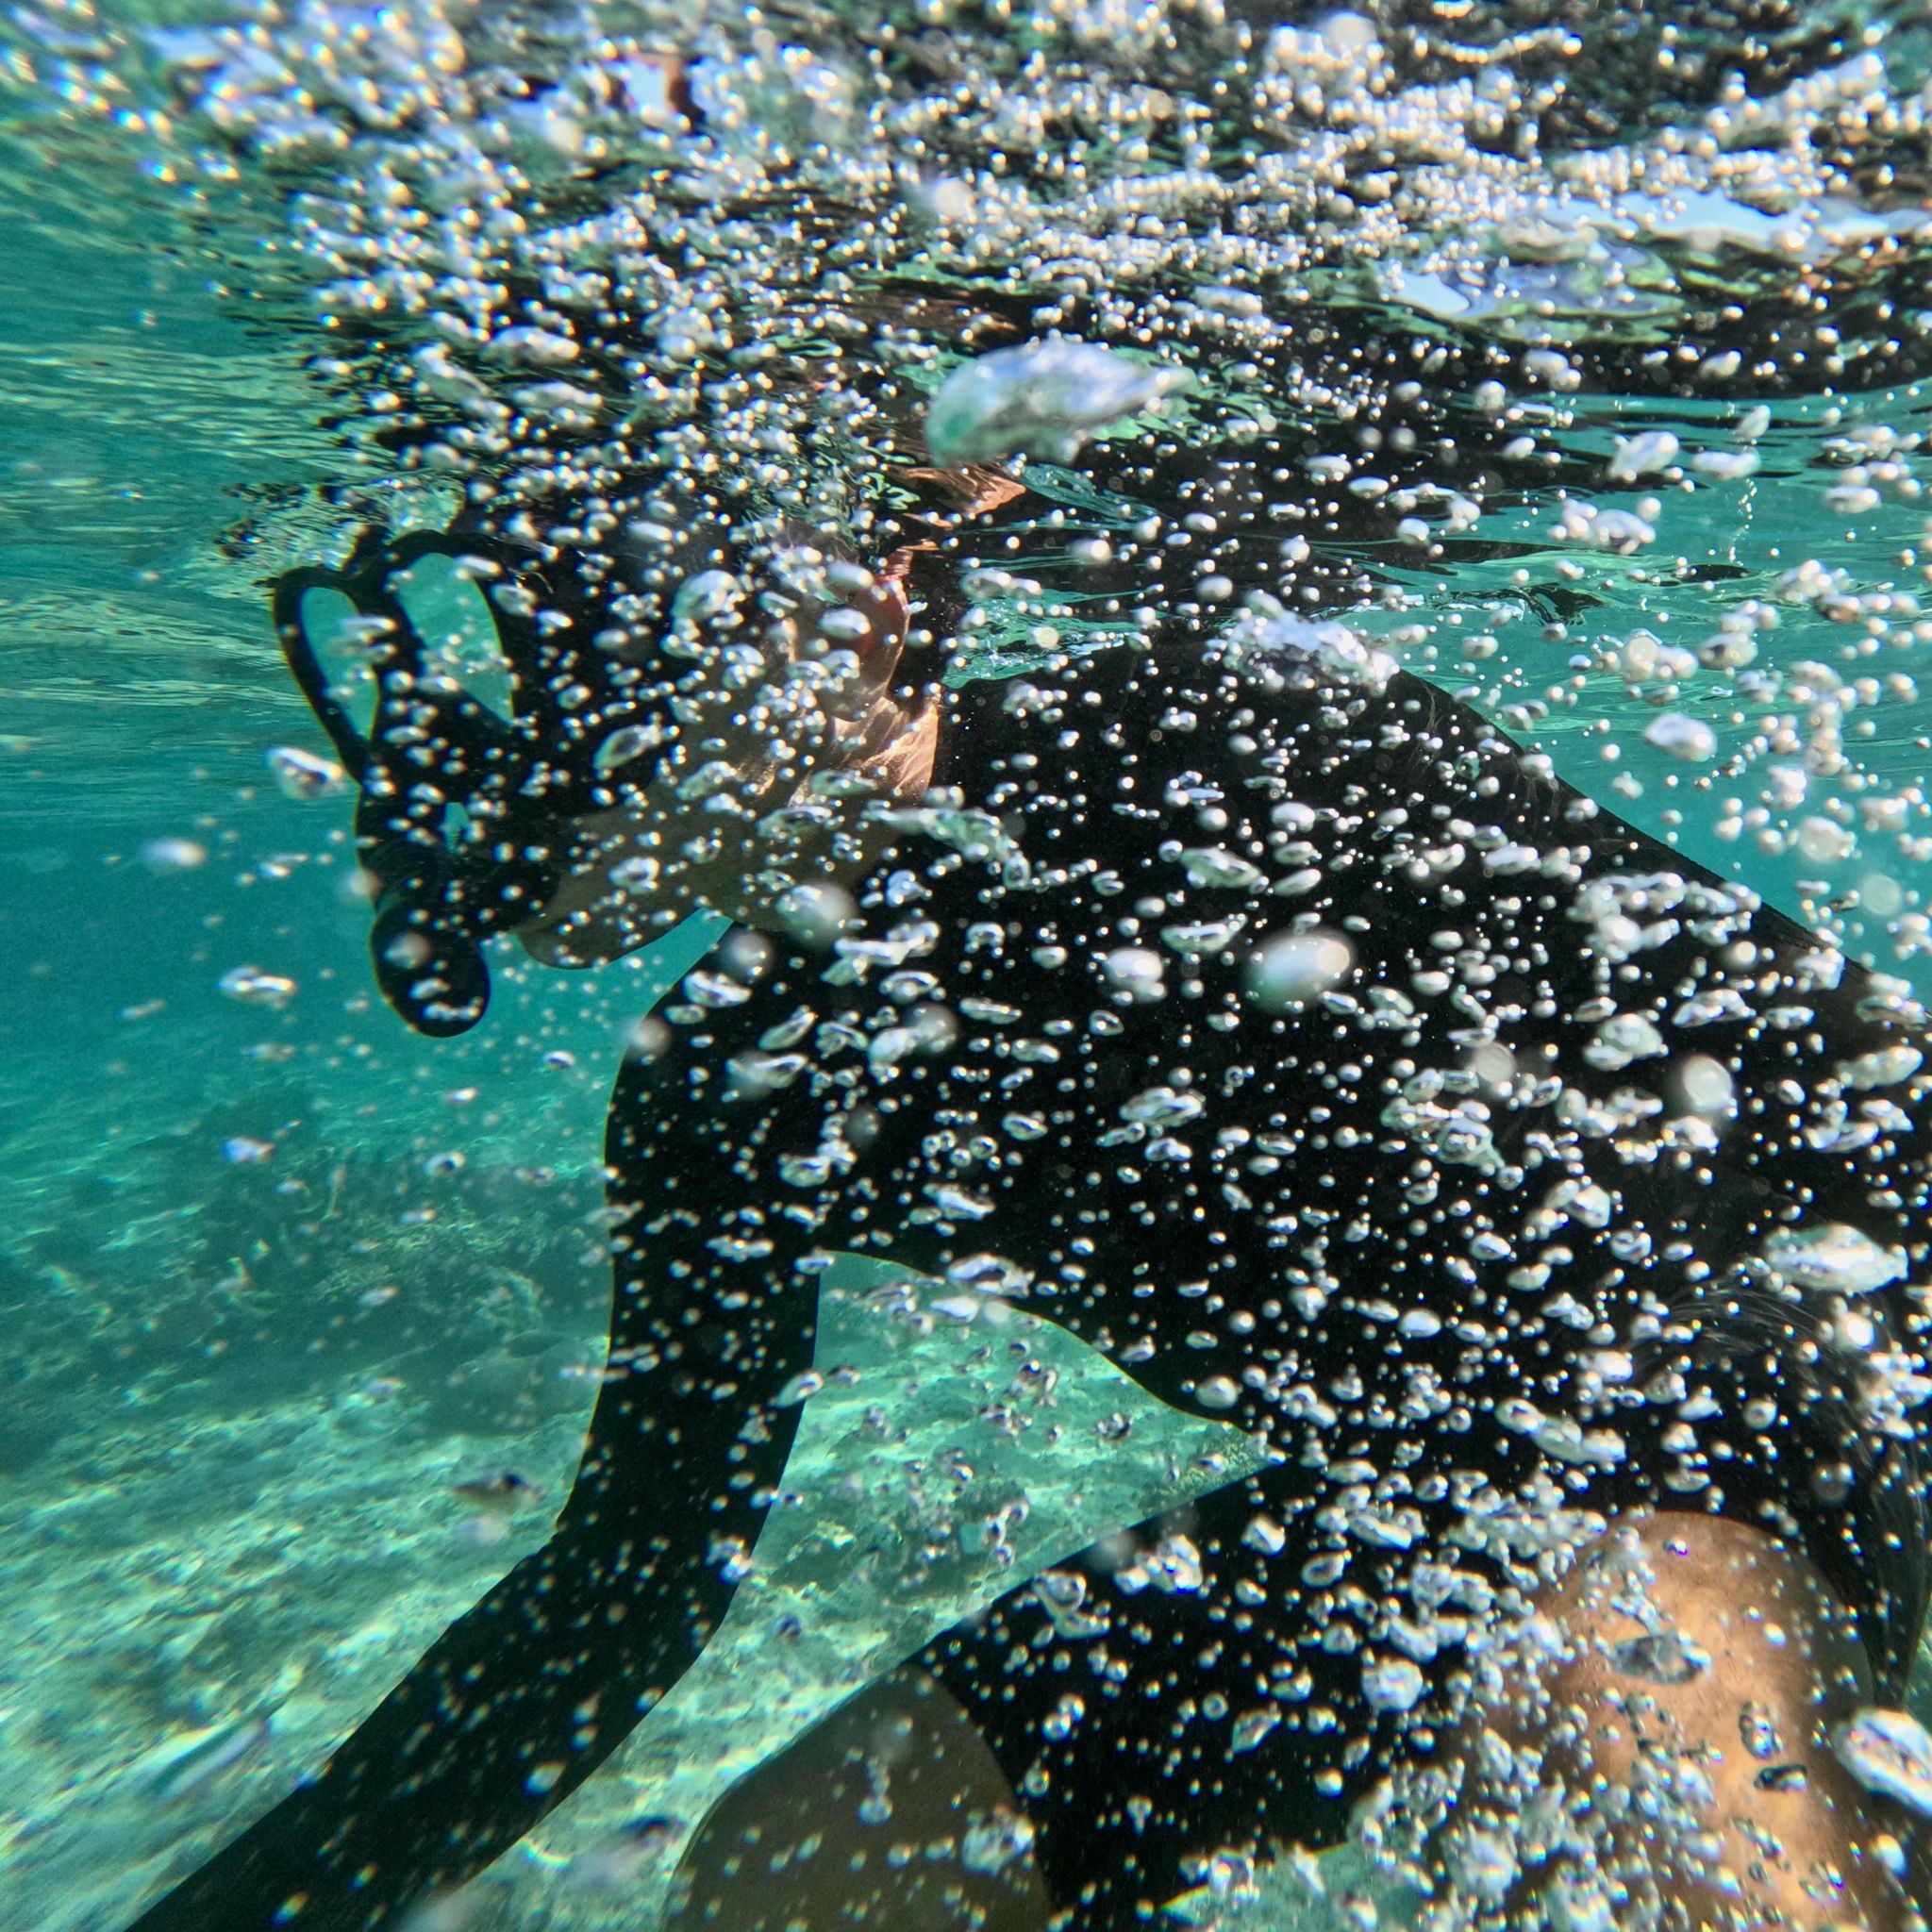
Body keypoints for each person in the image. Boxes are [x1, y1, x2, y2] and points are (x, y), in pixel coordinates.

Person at [129, 382, 1932, 1932]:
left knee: (1615, 1660)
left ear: (884, 590)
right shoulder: (721, 1089)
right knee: (793, 1871)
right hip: (1456, 1511)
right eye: (547, 616)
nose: (544, 679)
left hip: (1825, 1381)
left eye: (626, 608)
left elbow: (1868, 1088)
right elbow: (621, 1597)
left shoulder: (1227, 742)